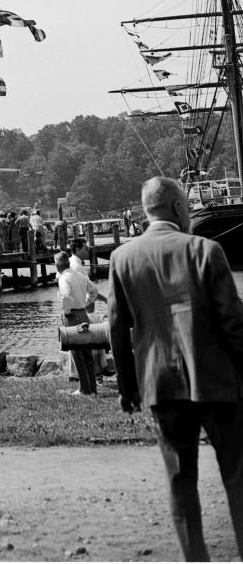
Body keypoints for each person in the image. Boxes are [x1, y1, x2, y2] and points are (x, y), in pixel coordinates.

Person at [109, 176, 243, 560]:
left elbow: (118, 330)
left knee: (181, 480)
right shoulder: (207, 250)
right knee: (237, 475)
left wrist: (127, 387)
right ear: (181, 208)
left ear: (146, 211)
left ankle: (195, 558)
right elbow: (233, 323)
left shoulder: (122, 258)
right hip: (217, 381)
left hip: (160, 385)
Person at [55, 251, 98, 396]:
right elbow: (94, 290)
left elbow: (66, 296)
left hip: (72, 316)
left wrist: (66, 312)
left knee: (77, 353)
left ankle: (84, 389)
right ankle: (92, 388)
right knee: (87, 353)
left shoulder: (63, 278)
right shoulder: (80, 276)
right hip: (84, 314)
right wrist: (86, 303)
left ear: (57, 266)